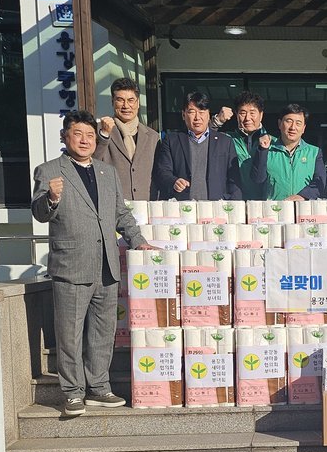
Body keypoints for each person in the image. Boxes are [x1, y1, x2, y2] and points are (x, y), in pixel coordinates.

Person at [32, 110, 150, 417]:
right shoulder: (49, 170)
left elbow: (120, 213)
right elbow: (40, 213)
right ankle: (73, 392)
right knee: (69, 333)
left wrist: (138, 240)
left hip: (107, 264)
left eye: (89, 135)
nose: (84, 140)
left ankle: (99, 387)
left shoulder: (106, 172)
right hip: (71, 265)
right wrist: (51, 198)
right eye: (77, 134)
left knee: (102, 331)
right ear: (65, 137)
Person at [153, 91, 241, 200]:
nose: (197, 117)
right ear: (183, 114)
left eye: (201, 112)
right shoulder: (172, 140)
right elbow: (162, 171)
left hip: (215, 206)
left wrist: (234, 205)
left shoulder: (225, 142)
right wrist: (173, 182)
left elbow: (234, 180)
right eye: (192, 112)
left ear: (208, 114)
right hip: (182, 206)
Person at [93, 77, 159, 202]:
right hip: (112, 203)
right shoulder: (98, 130)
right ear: (112, 102)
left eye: (131, 100)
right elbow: (91, 164)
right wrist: (104, 136)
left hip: (145, 205)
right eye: (120, 100)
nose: (126, 106)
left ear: (138, 103)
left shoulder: (152, 137)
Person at [257, 103, 326, 201]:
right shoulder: (267, 149)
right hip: (274, 207)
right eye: (289, 121)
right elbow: (258, 179)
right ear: (280, 124)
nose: (293, 127)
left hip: (303, 207)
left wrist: (302, 196)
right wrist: (263, 151)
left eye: (298, 123)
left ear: (303, 128)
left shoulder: (314, 152)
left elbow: (320, 182)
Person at [210, 91, 271, 199]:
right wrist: (217, 122)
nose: (247, 118)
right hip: (234, 203)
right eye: (243, 113)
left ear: (261, 115)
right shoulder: (227, 139)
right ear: (236, 115)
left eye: (252, 113)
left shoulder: (274, 143)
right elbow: (201, 140)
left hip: (265, 204)